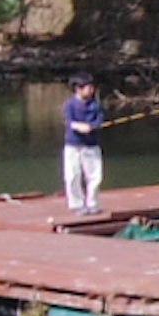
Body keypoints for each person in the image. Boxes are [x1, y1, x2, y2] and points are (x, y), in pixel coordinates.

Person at [62, 79, 106, 214]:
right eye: (88, 88)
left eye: (92, 88)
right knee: (72, 176)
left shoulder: (96, 105)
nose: (91, 91)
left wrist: (92, 126)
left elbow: (99, 120)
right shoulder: (69, 104)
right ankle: (76, 204)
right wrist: (78, 126)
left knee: (95, 176)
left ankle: (92, 203)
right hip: (72, 145)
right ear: (78, 89)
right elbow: (68, 121)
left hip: (91, 145)